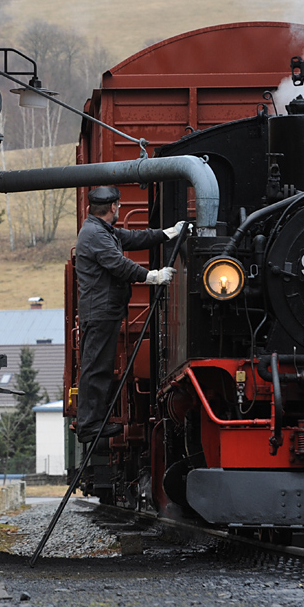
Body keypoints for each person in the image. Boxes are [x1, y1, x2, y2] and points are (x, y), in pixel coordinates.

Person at [74, 185, 185, 444]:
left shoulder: (101, 229)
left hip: (104, 310)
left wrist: (168, 233)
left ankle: (93, 422)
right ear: (113, 207)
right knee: (96, 368)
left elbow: (134, 238)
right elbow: (118, 264)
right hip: (100, 311)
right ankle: (89, 425)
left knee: (99, 367)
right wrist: (151, 276)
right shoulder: (95, 234)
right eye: (119, 206)